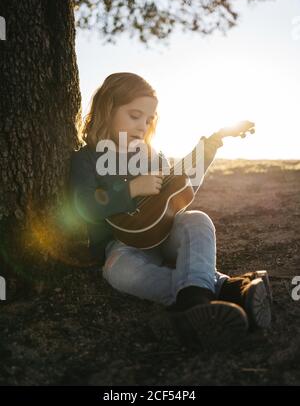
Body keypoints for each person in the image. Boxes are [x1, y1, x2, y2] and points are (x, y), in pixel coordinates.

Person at [69, 72, 272, 348]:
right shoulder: (86, 159)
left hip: (165, 235)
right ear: (108, 108)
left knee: (197, 220)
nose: (142, 125)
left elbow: (182, 184)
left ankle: (193, 304)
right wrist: (129, 190)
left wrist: (215, 140)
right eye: (134, 115)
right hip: (122, 245)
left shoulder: (153, 156)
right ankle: (229, 291)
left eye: (148, 119)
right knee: (118, 272)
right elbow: (84, 207)